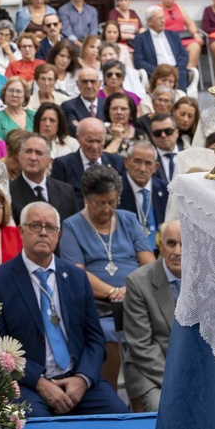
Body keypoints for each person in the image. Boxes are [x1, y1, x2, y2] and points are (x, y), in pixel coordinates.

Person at [0, 202, 127, 417]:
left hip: (76, 377)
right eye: (35, 226)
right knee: (36, 423)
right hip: (27, 383)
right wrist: (39, 382)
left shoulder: (77, 277)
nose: (43, 232)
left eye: (50, 227)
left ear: (58, 235)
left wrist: (83, 379)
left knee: (119, 417)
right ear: (21, 231)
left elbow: (95, 339)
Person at [58, 166, 155, 387]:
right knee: (108, 333)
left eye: (112, 202)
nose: (107, 208)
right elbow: (77, 273)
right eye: (100, 203)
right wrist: (113, 293)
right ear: (86, 199)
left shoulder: (128, 219)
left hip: (136, 297)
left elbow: (148, 262)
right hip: (99, 305)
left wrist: (131, 289)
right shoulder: (72, 226)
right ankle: (108, 391)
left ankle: (144, 394)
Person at [121, 218, 180, 412]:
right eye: (171, 243)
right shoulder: (138, 282)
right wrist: (176, 381)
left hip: (190, 367)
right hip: (149, 370)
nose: (178, 252)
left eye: (185, 244)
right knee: (162, 407)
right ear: (160, 247)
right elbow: (141, 346)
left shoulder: (204, 281)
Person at [133, 7, 190, 89]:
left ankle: (180, 99)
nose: (163, 21)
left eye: (163, 17)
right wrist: (158, 71)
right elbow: (139, 61)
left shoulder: (173, 35)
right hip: (156, 72)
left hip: (176, 70)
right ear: (149, 22)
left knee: (182, 73)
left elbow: (184, 54)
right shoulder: (141, 38)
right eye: (159, 18)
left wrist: (176, 68)